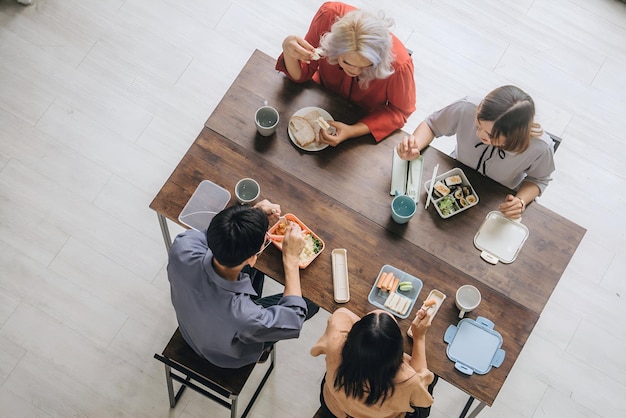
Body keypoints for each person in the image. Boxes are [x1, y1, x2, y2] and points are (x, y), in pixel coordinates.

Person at [167, 199, 319, 368]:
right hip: (223, 356)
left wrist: (250, 216)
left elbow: (214, 234)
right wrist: (291, 259)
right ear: (252, 259)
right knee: (311, 302)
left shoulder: (182, 246)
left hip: (190, 329)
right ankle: (262, 350)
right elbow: (294, 319)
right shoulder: (245, 316)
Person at [397, 85, 555, 219]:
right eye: (478, 125)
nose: (480, 135)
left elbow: (539, 179)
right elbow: (432, 125)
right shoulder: (467, 107)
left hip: (496, 200)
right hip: (454, 177)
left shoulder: (540, 147)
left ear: (515, 136)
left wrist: (520, 201)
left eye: (491, 136)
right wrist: (414, 146)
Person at [276, 2, 416, 145]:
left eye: (365, 66)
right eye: (347, 63)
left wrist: (351, 131)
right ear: (333, 49)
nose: (354, 71)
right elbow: (302, 75)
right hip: (322, 96)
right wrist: (289, 53)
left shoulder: (400, 65)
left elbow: (399, 112)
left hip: (364, 117)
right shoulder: (327, 17)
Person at [311, 307, 436, 418]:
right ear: (398, 354)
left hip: (334, 408)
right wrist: (419, 337)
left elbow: (342, 313)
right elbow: (423, 381)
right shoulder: (406, 381)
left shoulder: (334, 343)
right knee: (432, 379)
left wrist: (368, 335)